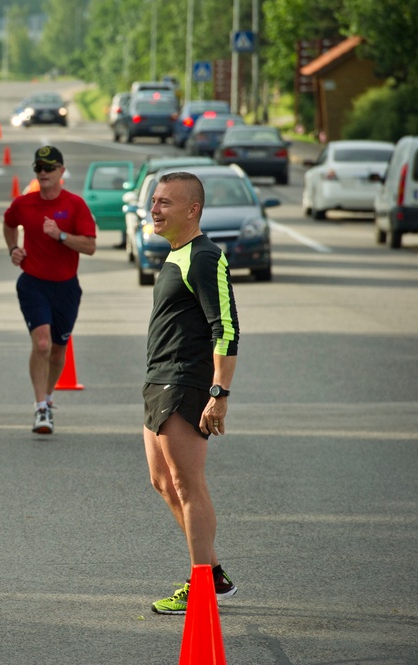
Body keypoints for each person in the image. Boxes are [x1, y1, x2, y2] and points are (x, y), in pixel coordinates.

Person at [142, 171, 238, 615]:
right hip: (159, 379)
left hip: (185, 381)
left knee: (187, 483)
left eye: (164, 203)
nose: (154, 209)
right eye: (154, 201)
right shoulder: (177, 254)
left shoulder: (203, 257)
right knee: (163, 481)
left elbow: (227, 328)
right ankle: (213, 574)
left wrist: (219, 391)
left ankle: (200, 585)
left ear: (192, 209)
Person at [3, 146, 96, 434]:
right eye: (38, 168)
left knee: (57, 352)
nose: (42, 172)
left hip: (66, 287)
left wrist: (61, 236)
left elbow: (90, 246)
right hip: (33, 283)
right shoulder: (24, 203)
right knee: (42, 344)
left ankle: (49, 395)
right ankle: (40, 407)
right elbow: (8, 224)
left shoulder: (75, 205)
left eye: (48, 168)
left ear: (61, 171)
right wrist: (13, 249)